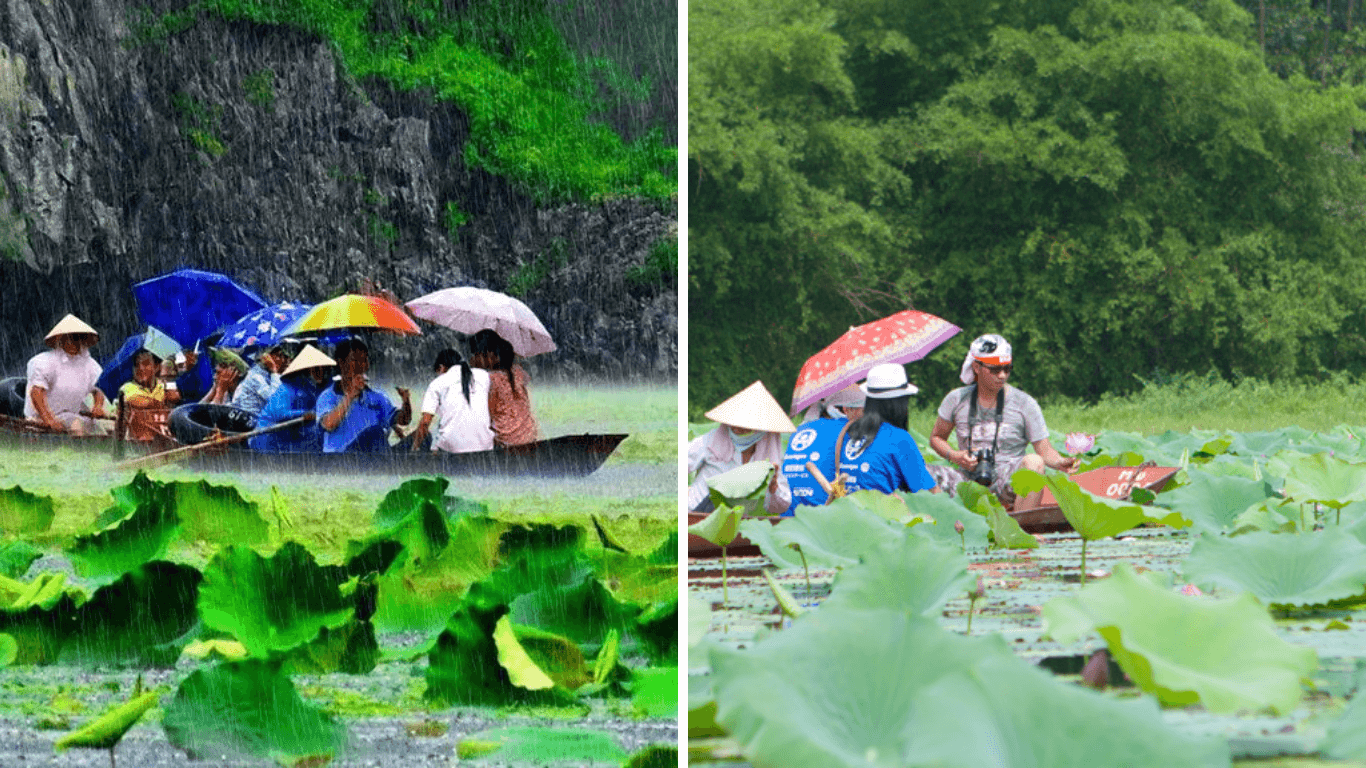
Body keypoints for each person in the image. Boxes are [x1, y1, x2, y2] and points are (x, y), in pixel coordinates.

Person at [928, 333, 1078, 511]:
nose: (1002, 375)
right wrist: (955, 456)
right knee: (917, 469)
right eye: (995, 370)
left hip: (1006, 478)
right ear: (976, 367)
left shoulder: (1025, 403)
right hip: (966, 478)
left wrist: (1059, 462)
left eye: (1007, 369)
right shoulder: (956, 399)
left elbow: (1044, 451)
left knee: (1034, 462)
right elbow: (936, 437)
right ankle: (951, 522)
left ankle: (1022, 528)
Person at [687, 380, 796, 515]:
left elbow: (781, 506)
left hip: (738, 523)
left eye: (745, 428)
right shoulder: (710, 442)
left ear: (761, 430)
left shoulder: (770, 460)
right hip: (698, 515)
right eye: (734, 426)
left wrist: (774, 489)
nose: (737, 431)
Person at [834, 364, 936, 496]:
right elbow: (929, 494)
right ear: (900, 403)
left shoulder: (848, 432)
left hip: (848, 510)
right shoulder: (899, 439)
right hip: (881, 514)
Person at [315, 338, 412, 452]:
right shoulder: (328, 396)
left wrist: (406, 402)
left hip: (375, 457)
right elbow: (328, 425)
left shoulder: (377, 397)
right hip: (342, 459)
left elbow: (403, 421)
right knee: (375, 433)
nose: (361, 366)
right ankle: (390, 466)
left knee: (422, 437)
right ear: (341, 363)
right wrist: (350, 395)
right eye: (355, 361)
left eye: (364, 360)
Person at [781, 384, 865, 514]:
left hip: (787, 517)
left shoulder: (799, 430)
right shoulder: (848, 429)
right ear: (844, 408)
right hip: (823, 516)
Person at [24, 314, 108, 434]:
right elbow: (36, 393)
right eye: (71, 338)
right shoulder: (43, 361)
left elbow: (99, 389)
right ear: (61, 339)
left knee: (100, 431)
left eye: (78, 338)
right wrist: (49, 419)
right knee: (77, 425)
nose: (75, 342)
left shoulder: (90, 364)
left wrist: (98, 406)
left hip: (72, 415)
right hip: (40, 419)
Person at [251, 345, 334, 453]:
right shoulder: (287, 388)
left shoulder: (315, 389)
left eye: (324, 369)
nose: (321, 373)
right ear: (305, 370)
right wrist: (304, 414)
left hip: (292, 439)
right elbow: (279, 414)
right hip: (268, 440)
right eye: (317, 369)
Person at [409, 348, 494, 453]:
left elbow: (425, 423)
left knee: (435, 447)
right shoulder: (484, 375)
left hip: (453, 451)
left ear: (441, 368)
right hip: (485, 447)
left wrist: (414, 448)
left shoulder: (437, 383)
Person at [470, 329, 538, 447]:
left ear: (489, 355)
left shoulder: (490, 379)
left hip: (507, 442)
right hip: (529, 436)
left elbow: (487, 415)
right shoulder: (519, 372)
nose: (473, 359)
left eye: (476, 355)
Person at [117, 348, 180, 442]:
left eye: (146, 364)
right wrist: (159, 401)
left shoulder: (163, 386)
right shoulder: (127, 387)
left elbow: (175, 398)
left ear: (156, 367)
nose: (141, 368)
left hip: (164, 439)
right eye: (137, 365)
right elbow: (135, 401)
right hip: (138, 442)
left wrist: (172, 398)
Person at [232, 344, 290, 415]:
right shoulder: (256, 376)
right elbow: (275, 398)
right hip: (251, 420)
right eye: (278, 355)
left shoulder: (266, 373)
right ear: (265, 357)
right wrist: (274, 370)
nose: (283, 359)